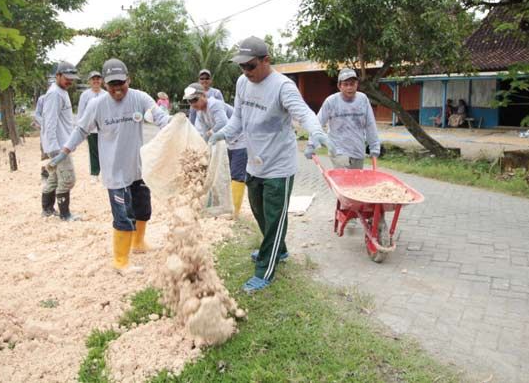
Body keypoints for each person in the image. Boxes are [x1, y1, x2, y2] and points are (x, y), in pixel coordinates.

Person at [209, 36, 333, 293]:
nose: (246, 71)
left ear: (267, 60)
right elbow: (238, 120)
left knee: (275, 218)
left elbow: (303, 113)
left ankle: (265, 269)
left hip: (279, 165)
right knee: (259, 212)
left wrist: (315, 130)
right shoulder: (243, 83)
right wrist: (223, 133)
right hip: (254, 162)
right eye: (241, 67)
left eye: (251, 66)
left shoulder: (282, 87)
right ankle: (280, 249)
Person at [49, 58, 170, 274]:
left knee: (143, 209)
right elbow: (81, 130)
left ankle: (139, 243)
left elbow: (159, 117)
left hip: (138, 169)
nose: (117, 89)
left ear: (128, 80)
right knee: (123, 216)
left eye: (121, 83)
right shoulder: (97, 105)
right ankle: (121, 261)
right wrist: (63, 152)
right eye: (112, 84)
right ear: (105, 84)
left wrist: (174, 127)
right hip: (115, 174)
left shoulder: (139, 98)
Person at [183, 82, 247, 218]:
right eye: (189, 101)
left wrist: (212, 133)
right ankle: (222, 206)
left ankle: (234, 212)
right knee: (221, 173)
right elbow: (203, 132)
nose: (192, 104)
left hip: (241, 140)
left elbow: (223, 123)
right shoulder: (200, 112)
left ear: (203, 95)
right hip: (226, 143)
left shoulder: (215, 104)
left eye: (195, 100)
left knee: (237, 175)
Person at [305, 68, 381, 169]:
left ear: (357, 84)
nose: (349, 87)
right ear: (339, 86)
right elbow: (318, 123)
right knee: (345, 178)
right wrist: (311, 145)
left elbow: (370, 124)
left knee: (354, 183)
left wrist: (374, 147)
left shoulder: (363, 100)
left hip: (358, 151)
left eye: (352, 84)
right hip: (338, 151)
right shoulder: (331, 102)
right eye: (345, 84)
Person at [41, 61, 79, 221]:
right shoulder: (55, 94)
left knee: (55, 178)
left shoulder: (61, 91)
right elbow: (49, 122)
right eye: (66, 78)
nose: (69, 81)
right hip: (59, 146)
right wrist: (55, 149)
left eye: (72, 78)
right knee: (68, 179)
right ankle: (65, 214)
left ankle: (47, 209)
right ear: (57, 76)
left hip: (63, 144)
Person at [77, 71, 105, 182]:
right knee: (93, 151)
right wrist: (81, 128)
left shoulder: (106, 94)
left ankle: (105, 173)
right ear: (90, 81)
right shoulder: (85, 95)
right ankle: (94, 173)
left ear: (101, 81)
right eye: (93, 79)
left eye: (98, 79)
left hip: (104, 128)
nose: (96, 81)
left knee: (105, 151)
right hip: (91, 129)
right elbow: (81, 112)